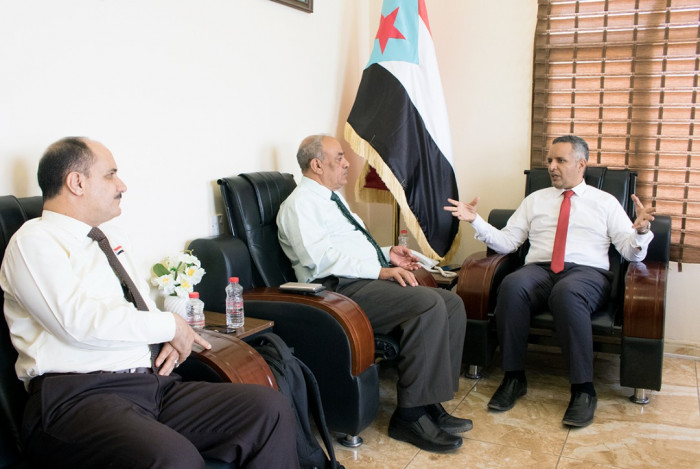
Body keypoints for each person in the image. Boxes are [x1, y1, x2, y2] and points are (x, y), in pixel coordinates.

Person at [0, 137, 299, 468]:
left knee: (268, 409)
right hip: (76, 398)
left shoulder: (111, 238)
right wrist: (169, 326)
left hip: (151, 385)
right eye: (111, 174)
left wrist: (166, 337)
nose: (122, 185)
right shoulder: (34, 241)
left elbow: (137, 306)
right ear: (77, 182)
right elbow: (77, 322)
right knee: (174, 458)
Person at [444, 135, 656, 427]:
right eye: (549, 160)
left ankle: (583, 389)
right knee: (512, 286)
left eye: (560, 160)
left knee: (567, 293)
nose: (552, 167)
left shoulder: (605, 202)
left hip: (587, 273)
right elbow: (508, 242)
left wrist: (641, 233)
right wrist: (475, 221)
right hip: (540, 269)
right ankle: (514, 377)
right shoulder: (535, 200)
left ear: (581, 164)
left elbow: (630, 253)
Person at [277, 135, 469, 453]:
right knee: (427, 304)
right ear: (317, 165)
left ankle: (428, 402)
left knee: (451, 303)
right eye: (339, 157)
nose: (346, 163)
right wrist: (380, 271)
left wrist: (386, 253)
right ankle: (409, 417)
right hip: (335, 291)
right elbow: (320, 260)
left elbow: (349, 248)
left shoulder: (332, 200)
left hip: (360, 281)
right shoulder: (300, 205)